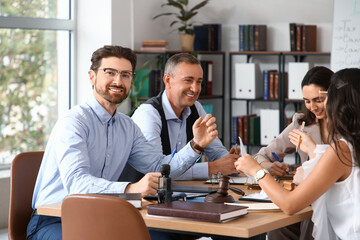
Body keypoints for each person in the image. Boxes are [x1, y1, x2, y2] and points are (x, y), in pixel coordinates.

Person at [26, 45, 219, 240]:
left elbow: (158, 167)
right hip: (54, 220)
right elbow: (77, 184)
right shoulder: (74, 122)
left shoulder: (128, 126)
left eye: (126, 75)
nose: (118, 81)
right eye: (110, 73)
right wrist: (130, 188)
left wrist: (196, 145)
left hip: (103, 215)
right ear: (92, 76)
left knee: (167, 237)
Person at [235, 68, 360, 239]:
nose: (315, 106)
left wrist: (256, 171)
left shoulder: (341, 149)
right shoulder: (349, 143)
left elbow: (290, 205)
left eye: (323, 99)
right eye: (307, 101)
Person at [130, 53, 239, 181]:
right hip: (143, 198)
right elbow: (158, 171)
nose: (195, 88)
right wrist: (212, 168)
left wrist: (232, 162)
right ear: (167, 80)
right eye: (188, 80)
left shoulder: (195, 108)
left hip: (179, 193)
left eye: (199, 82)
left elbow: (216, 151)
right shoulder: (148, 114)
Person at [254, 66, 333, 240]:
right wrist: (269, 166)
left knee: (309, 226)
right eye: (307, 101)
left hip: (328, 199)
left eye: (318, 100)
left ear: (333, 95)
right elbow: (261, 156)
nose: (312, 107)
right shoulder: (301, 123)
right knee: (278, 228)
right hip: (302, 198)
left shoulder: (347, 127)